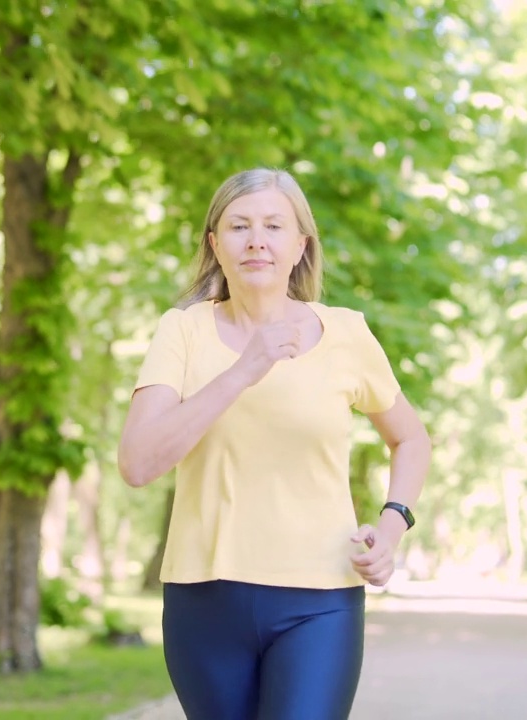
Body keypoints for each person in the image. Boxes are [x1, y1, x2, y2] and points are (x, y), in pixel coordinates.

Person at [117, 168, 431, 720]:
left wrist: (392, 525)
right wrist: (245, 369)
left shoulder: (346, 333)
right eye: (239, 225)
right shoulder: (183, 331)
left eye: (273, 226)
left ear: (299, 245)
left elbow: (410, 438)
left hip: (320, 600)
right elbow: (139, 462)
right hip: (203, 598)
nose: (256, 239)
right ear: (215, 244)